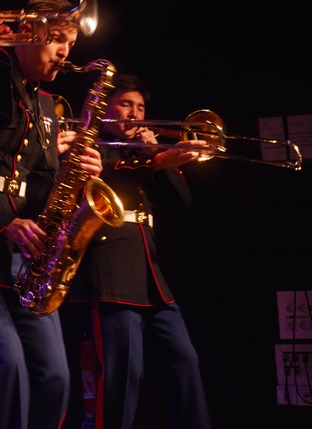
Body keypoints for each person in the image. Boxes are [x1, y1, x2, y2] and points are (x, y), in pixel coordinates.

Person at [0, 0, 104, 429]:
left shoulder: (46, 106)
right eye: (55, 39)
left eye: (70, 44)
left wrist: (75, 177)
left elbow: (38, 182)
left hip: (26, 257)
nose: (63, 52)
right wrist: (3, 220)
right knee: (6, 370)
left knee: (55, 376)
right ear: (23, 34)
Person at [62, 73, 212, 429]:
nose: (134, 113)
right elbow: (112, 174)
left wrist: (158, 152)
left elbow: (183, 200)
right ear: (107, 108)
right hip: (111, 272)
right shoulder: (91, 145)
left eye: (140, 107)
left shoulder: (144, 152)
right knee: (121, 379)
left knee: (185, 362)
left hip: (151, 276)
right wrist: (154, 159)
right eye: (126, 104)